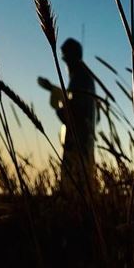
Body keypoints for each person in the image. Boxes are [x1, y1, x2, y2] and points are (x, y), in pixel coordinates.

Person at [38, 38, 97, 197]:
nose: (65, 63)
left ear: (73, 57)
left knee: (74, 187)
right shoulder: (85, 78)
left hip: (77, 144)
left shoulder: (79, 79)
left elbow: (73, 112)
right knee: (82, 185)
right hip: (83, 142)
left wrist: (59, 107)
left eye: (65, 58)